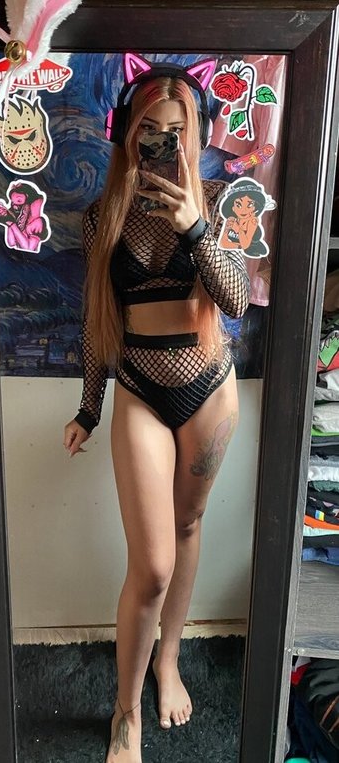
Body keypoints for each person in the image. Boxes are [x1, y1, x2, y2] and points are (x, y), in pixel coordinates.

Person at [63, 56, 250, 763]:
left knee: (189, 525)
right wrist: (88, 407)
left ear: (192, 136)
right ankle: (126, 712)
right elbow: (96, 321)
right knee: (152, 568)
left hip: (210, 389)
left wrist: (194, 227)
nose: (161, 144)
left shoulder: (214, 200)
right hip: (140, 389)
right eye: (149, 130)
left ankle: (169, 661)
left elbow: (236, 301)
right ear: (126, 132)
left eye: (175, 132)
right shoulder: (101, 218)